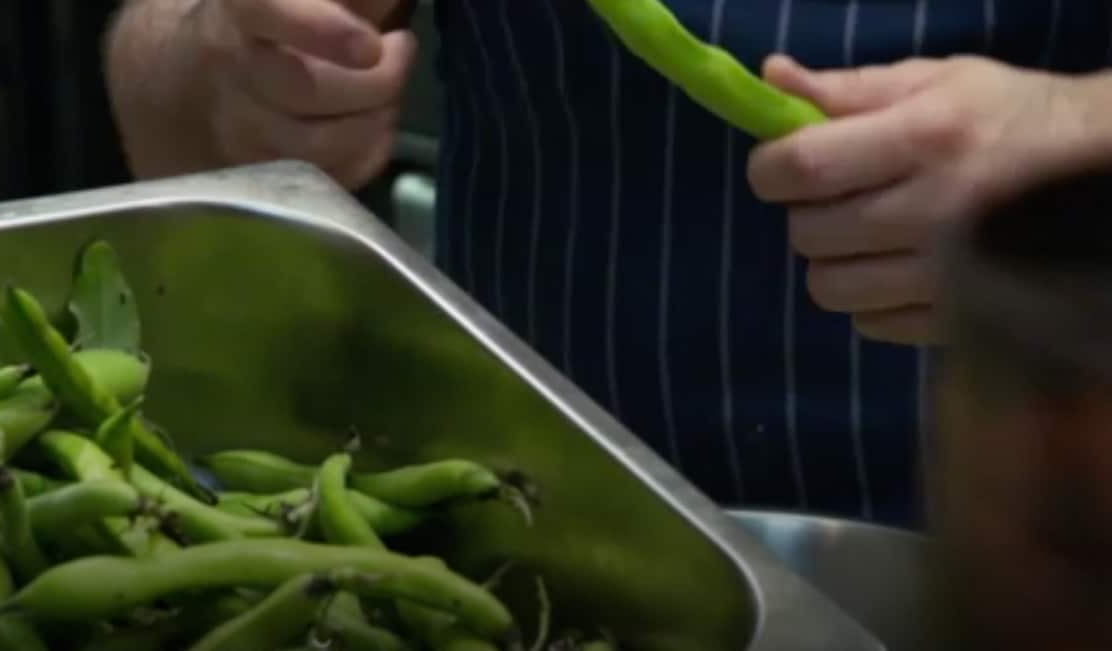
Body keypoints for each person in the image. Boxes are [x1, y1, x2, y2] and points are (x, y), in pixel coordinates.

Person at [104, 0, 1112, 528]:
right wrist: (224, 66)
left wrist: (1078, 140)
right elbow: (165, 94)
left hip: (1035, 575)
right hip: (534, 550)